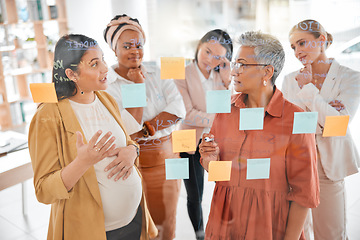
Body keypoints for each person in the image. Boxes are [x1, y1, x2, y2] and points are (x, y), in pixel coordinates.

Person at [28, 34, 157, 240]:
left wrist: (132, 150)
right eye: (94, 64)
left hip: (134, 220)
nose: (105, 68)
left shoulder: (106, 99)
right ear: (72, 74)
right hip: (93, 232)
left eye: (103, 59)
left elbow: (128, 141)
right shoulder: (47, 116)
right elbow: (43, 190)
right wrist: (82, 162)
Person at [199, 31, 320, 240]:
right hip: (223, 223)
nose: (234, 71)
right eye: (235, 63)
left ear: (267, 72)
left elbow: (304, 193)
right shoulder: (225, 110)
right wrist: (209, 160)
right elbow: (219, 173)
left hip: (270, 226)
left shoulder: (296, 119)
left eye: (243, 65)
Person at [103, 15, 186, 240]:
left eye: (139, 44)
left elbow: (178, 109)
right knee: (136, 224)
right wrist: (138, 86)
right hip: (130, 162)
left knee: (166, 222)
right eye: (126, 46)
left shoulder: (156, 71)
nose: (135, 50)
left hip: (167, 158)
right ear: (113, 49)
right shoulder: (107, 84)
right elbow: (128, 127)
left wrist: (146, 130)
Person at [282, 19, 360, 240]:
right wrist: (326, 113)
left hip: (330, 168)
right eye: (294, 47)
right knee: (300, 232)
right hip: (298, 166)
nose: (297, 51)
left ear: (322, 40)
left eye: (302, 43)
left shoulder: (351, 77)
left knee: (331, 233)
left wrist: (308, 90)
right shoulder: (289, 80)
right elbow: (290, 127)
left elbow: (337, 127)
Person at [174, 29, 233, 240]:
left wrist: (227, 81)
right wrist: (219, 119)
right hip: (189, 141)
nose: (210, 59)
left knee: (226, 188)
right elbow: (187, 114)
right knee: (194, 195)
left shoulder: (222, 76)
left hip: (219, 142)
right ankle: (200, 235)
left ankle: (224, 232)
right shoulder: (182, 74)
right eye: (207, 51)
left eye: (217, 57)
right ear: (199, 46)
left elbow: (232, 107)